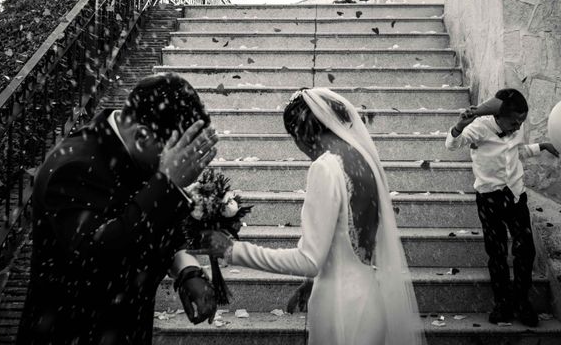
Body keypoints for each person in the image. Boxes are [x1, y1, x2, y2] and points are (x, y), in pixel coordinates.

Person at [203, 88, 424, 345]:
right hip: (368, 299)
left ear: (300, 134)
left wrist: (233, 250)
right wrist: (312, 282)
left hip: (339, 310)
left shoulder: (325, 167)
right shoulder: (362, 158)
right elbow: (348, 241)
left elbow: (308, 260)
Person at [17, 73, 219, 345]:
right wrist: (168, 183)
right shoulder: (72, 168)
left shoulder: (136, 151)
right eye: (176, 153)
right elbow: (99, 257)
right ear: (143, 136)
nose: (184, 164)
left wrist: (185, 266)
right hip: (74, 332)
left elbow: (148, 222)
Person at [445, 88, 559, 326]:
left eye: (522, 121)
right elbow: (452, 145)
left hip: (517, 196)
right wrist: (458, 126)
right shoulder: (480, 128)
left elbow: (518, 151)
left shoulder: (515, 129)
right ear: (500, 116)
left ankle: (522, 301)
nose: (518, 126)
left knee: (525, 251)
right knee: (496, 253)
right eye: (514, 121)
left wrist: (542, 146)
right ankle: (502, 304)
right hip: (489, 198)